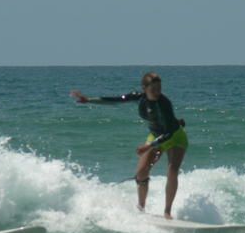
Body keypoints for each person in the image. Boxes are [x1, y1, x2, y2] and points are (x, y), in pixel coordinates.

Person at [70, 72, 188, 219]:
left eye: (159, 88)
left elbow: (169, 133)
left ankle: (167, 212)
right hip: (156, 136)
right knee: (142, 172)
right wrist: (88, 100)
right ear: (144, 88)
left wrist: (148, 146)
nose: (157, 92)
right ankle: (141, 208)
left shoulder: (164, 104)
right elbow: (115, 100)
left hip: (175, 136)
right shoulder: (139, 98)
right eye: (153, 89)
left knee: (172, 169)